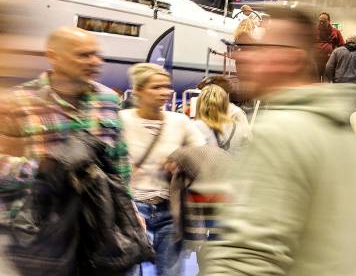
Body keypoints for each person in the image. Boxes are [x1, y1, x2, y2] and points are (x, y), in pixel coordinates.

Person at [200, 6, 356, 276]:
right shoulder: (344, 131)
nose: (242, 56)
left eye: (261, 49)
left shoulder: (281, 133)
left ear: (292, 59)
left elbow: (246, 259)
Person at [0, 27, 138, 273]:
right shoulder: (19, 101)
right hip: (36, 236)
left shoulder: (107, 99)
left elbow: (119, 162)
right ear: (53, 56)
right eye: (83, 55)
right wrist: (45, 167)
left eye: (97, 55)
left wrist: (127, 215)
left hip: (95, 231)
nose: (95, 62)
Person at [120, 62, 207, 276]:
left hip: (170, 210)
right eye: (156, 87)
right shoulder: (122, 120)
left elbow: (203, 155)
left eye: (167, 86)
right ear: (138, 90)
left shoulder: (180, 121)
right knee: (129, 271)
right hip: (132, 210)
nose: (165, 92)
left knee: (170, 272)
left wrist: (183, 160)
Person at [191, 83, 252, 154]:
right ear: (225, 103)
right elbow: (248, 144)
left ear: (200, 104)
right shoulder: (238, 125)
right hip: (235, 164)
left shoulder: (196, 127)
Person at [324, 34, 356, 100]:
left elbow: (328, 67)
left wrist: (332, 79)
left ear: (346, 41)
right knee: (354, 105)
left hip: (339, 83)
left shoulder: (337, 51)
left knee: (341, 103)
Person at [314, 12, 345, 80]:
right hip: (315, 62)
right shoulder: (314, 31)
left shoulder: (336, 32)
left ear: (329, 21)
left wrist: (337, 57)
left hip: (329, 62)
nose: (321, 23)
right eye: (320, 21)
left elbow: (342, 46)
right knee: (315, 82)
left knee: (327, 82)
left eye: (324, 21)